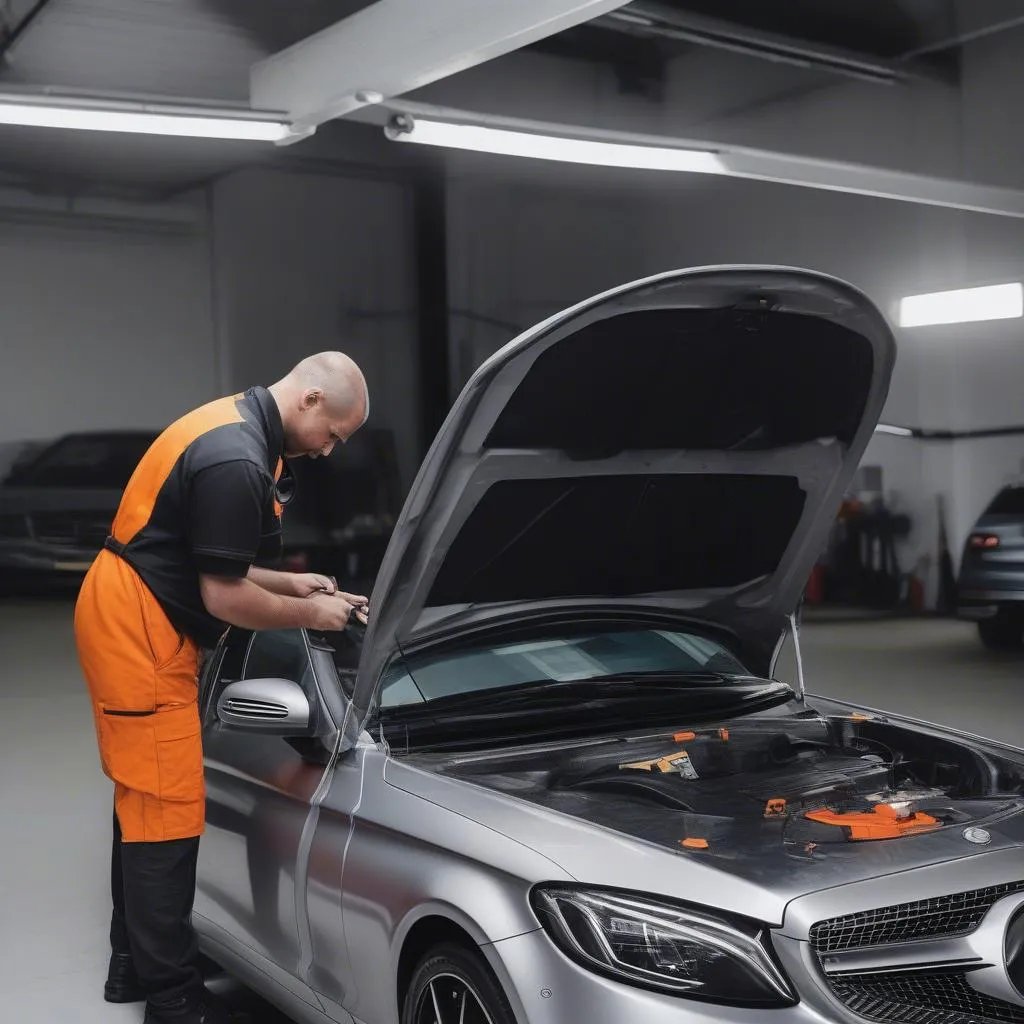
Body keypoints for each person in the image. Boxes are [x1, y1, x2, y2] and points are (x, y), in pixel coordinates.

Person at [74, 352, 371, 1024]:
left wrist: (294, 584)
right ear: (313, 399)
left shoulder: (241, 431)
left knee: (143, 803)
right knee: (166, 814)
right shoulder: (237, 458)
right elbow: (223, 594)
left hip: (140, 609)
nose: (330, 451)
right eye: (335, 435)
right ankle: (175, 1004)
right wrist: (309, 614)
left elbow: (218, 561)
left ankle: (133, 967)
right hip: (138, 630)